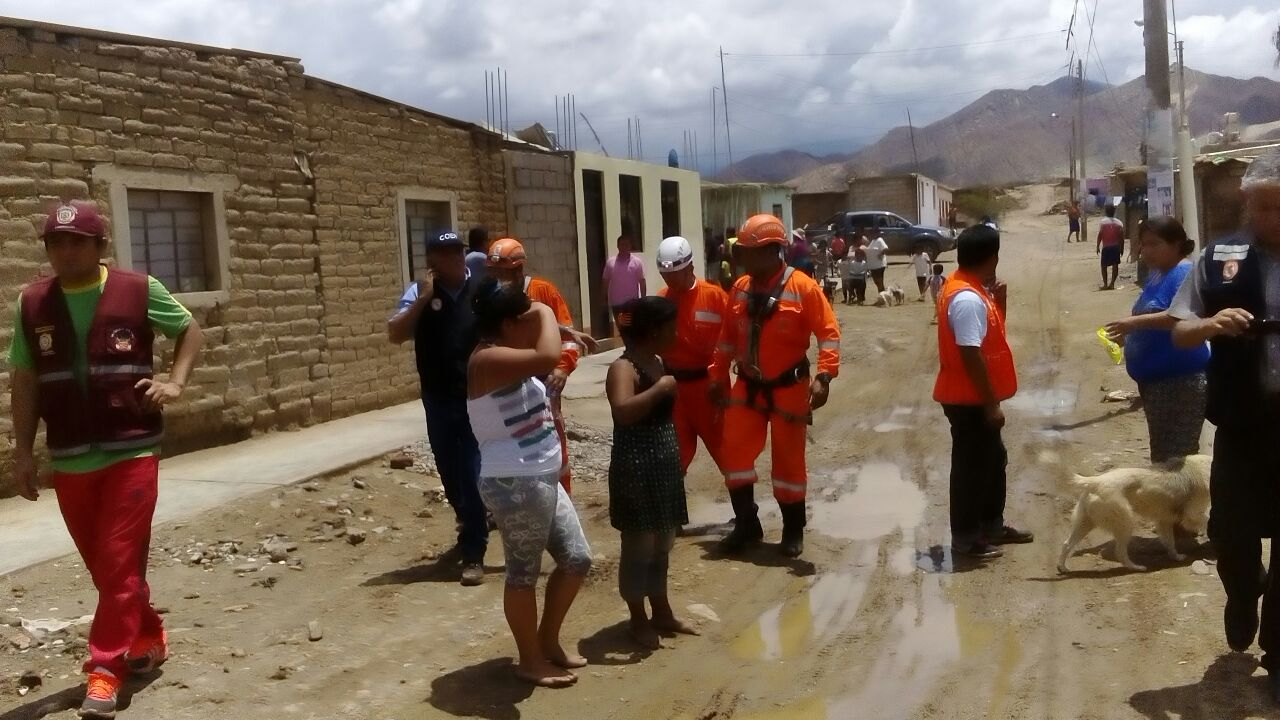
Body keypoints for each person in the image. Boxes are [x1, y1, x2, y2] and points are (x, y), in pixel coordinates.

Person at [7, 201, 205, 718]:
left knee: (117, 560)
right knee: (105, 566)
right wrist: (22, 450)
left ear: (100, 246)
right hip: (70, 454)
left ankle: (104, 669)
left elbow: (189, 330)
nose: (66, 251)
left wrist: (176, 381)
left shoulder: (137, 290)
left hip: (131, 447)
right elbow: (24, 379)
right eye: (56, 242)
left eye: (78, 242)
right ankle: (148, 634)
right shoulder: (32, 303)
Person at [1168, 150, 1280, 700]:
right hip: (1240, 424)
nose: (1270, 219)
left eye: (1279, 208)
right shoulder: (1217, 260)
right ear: (1247, 204)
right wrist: (1212, 323)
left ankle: (1278, 654)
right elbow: (1179, 330)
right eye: (1262, 207)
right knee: (1232, 534)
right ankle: (1242, 590)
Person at [467, 279, 593, 688]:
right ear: (508, 324)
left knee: (576, 559)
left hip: (540, 477)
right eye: (525, 319)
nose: (535, 325)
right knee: (522, 574)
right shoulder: (487, 359)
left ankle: (547, 642)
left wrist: (551, 322)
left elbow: (548, 351)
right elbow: (549, 355)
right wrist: (544, 309)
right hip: (514, 481)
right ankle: (530, 660)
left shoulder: (507, 351)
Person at [711, 213, 841, 558]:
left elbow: (828, 334)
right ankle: (746, 525)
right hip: (747, 386)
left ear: (772, 251)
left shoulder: (804, 287)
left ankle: (792, 529)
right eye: (741, 252)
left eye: (749, 252)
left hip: (788, 387)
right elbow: (726, 340)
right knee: (734, 454)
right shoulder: (740, 288)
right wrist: (717, 376)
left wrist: (824, 376)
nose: (742, 259)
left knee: (788, 463)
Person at [388, 229, 488, 586]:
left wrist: (562, 331)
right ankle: (470, 519)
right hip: (438, 398)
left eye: (458, 251)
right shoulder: (418, 292)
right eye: (446, 254)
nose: (456, 258)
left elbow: (514, 320)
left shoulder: (482, 290)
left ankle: (474, 551)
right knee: (448, 470)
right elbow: (395, 333)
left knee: (473, 472)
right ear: (432, 261)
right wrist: (423, 299)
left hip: (476, 396)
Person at [934, 224, 1034, 559]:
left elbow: (987, 335)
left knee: (992, 460)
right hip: (969, 399)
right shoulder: (967, 298)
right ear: (993, 258)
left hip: (971, 395)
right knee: (971, 468)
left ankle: (991, 525)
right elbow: (970, 352)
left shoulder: (971, 289)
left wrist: (999, 302)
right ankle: (966, 537)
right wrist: (991, 405)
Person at [606, 296, 700, 648]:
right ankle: (637, 618)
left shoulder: (657, 361)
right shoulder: (624, 368)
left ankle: (661, 610)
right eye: (672, 327)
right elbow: (622, 411)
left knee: (663, 542)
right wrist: (660, 388)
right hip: (636, 467)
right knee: (639, 546)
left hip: (662, 465)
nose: (676, 333)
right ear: (654, 330)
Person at [1103, 217, 1210, 464]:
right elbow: (1152, 316)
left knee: (1175, 460)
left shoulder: (1183, 272)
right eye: (1143, 244)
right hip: (1157, 383)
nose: (1146, 250)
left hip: (1179, 382)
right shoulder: (1157, 273)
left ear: (1176, 244)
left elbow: (1181, 317)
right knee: (1163, 455)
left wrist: (1132, 324)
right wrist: (1129, 337)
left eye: (1154, 244)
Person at [485, 237, 586, 493]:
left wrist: (562, 369)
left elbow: (568, 338)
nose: (498, 279)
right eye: (494, 272)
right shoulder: (491, 298)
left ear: (518, 269)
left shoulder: (544, 291)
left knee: (552, 440)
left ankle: (560, 496)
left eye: (502, 272)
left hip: (543, 384)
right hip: (507, 386)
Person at [655, 236, 730, 475]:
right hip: (675, 391)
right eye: (665, 275)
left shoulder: (715, 298)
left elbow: (735, 339)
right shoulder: (662, 301)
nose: (669, 281)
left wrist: (721, 380)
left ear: (690, 268)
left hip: (709, 389)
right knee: (673, 463)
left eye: (674, 275)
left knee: (729, 457)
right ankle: (673, 500)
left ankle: (742, 500)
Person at [603, 233, 647, 334]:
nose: (624, 247)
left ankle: (631, 343)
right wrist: (604, 298)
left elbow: (642, 281)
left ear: (630, 246)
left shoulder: (637, 262)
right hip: (616, 303)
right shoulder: (610, 263)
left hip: (632, 303)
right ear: (618, 246)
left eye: (626, 244)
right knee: (622, 330)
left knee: (632, 329)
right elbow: (605, 281)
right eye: (622, 245)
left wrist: (643, 299)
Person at [1097, 203, 1126, 290]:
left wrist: (1097, 246)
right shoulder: (1119, 223)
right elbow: (1121, 237)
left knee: (1103, 266)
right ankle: (1112, 284)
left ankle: (1105, 284)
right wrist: (1122, 248)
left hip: (1106, 247)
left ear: (1106, 212)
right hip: (1116, 247)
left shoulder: (1102, 222)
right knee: (1115, 265)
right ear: (1114, 212)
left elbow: (1100, 235)